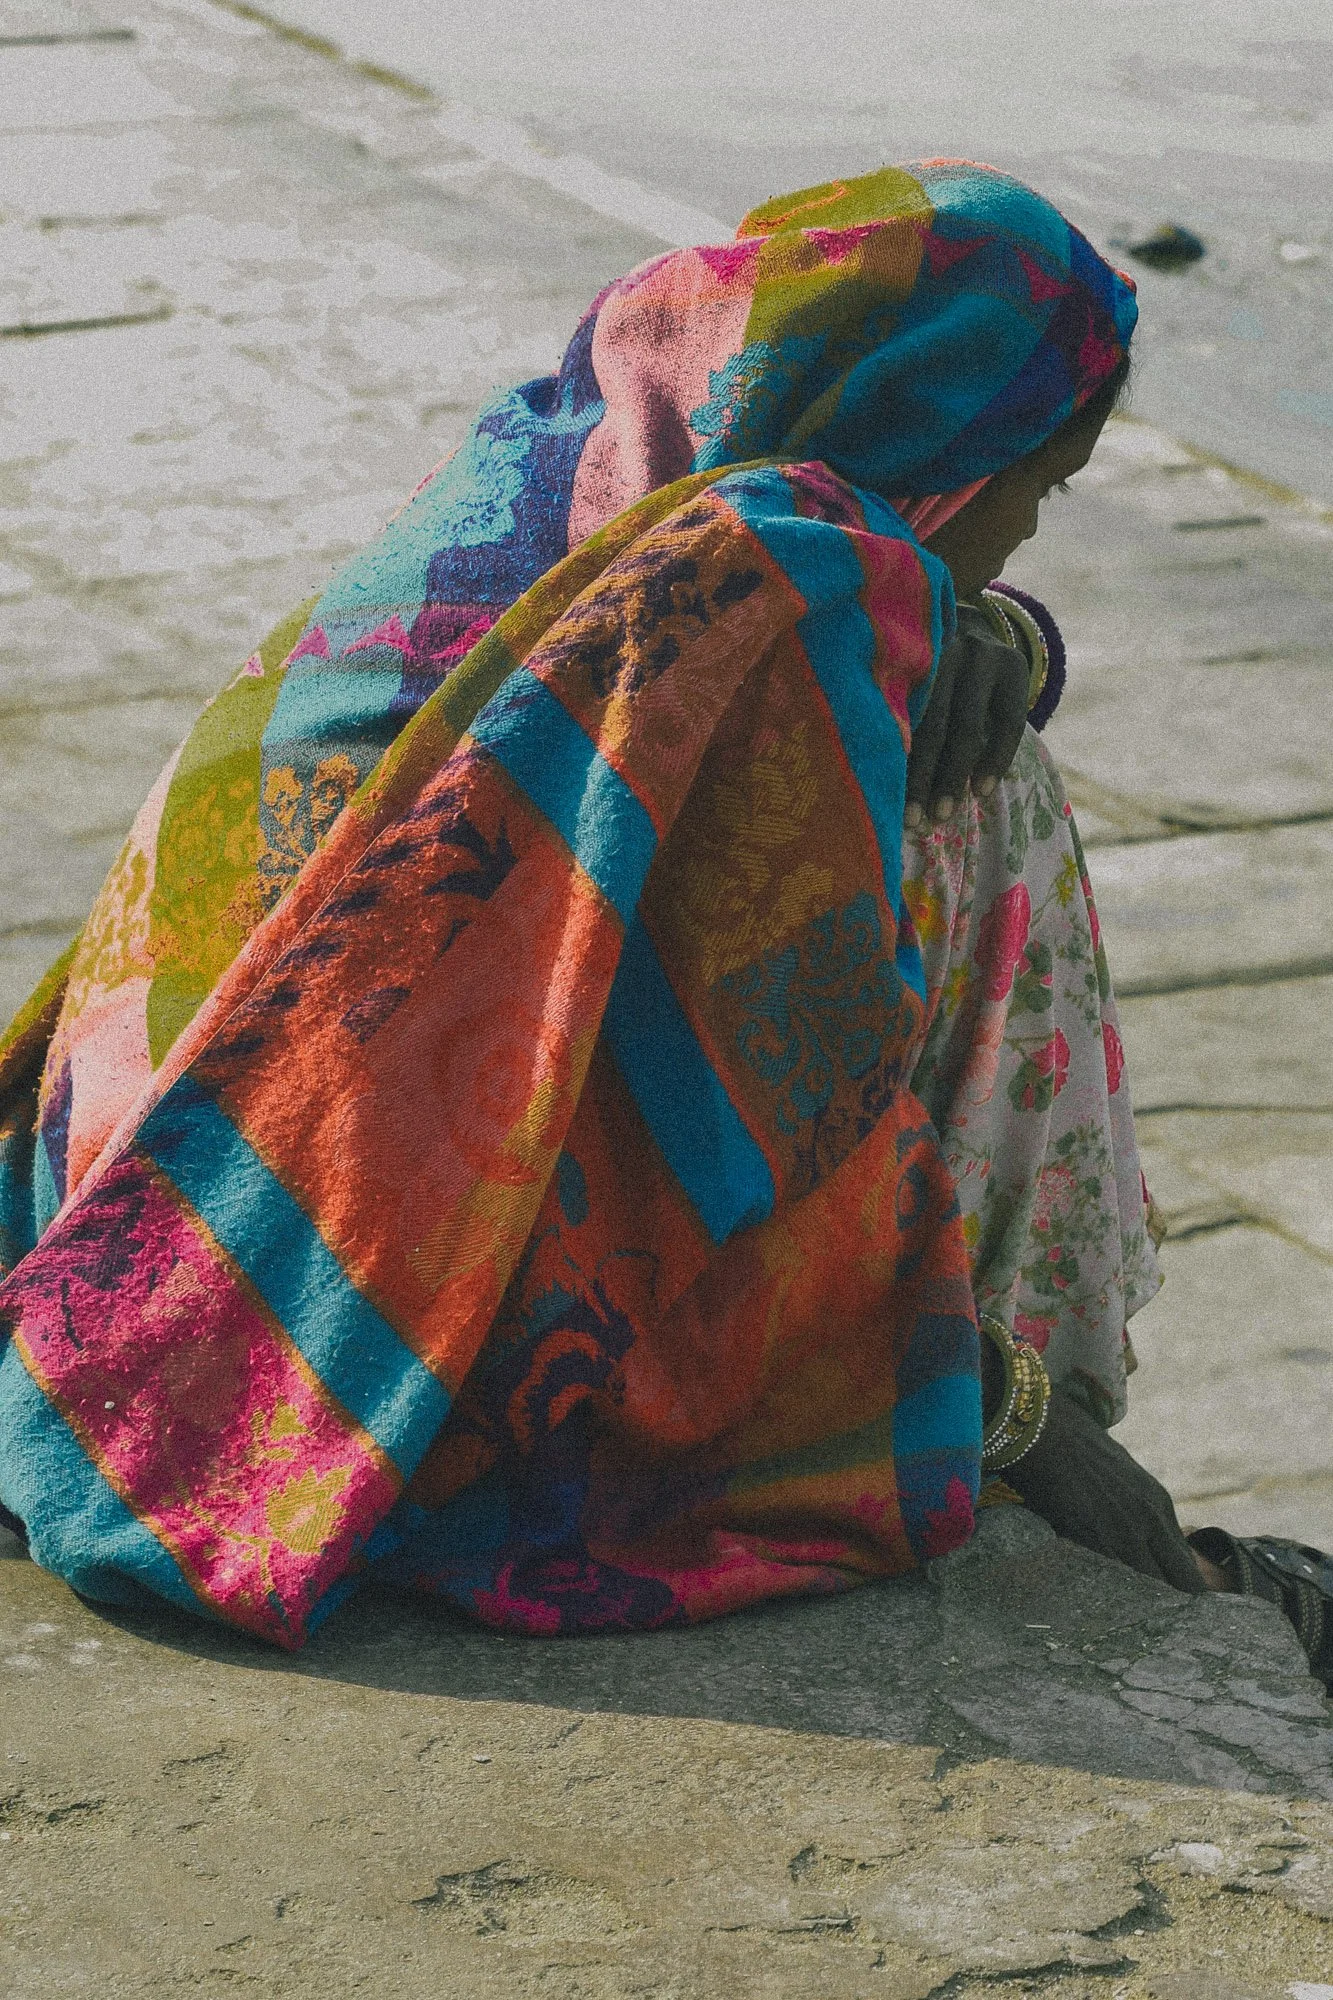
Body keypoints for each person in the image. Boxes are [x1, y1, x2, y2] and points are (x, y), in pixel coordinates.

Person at [0, 161, 1327, 1677]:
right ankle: (1038, 1383)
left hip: (118, 1205)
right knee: (987, 800)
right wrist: (1004, 1413)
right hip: (358, 1340)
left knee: (962, 727)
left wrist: (987, 633)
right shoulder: (779, 582)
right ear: (943, 461)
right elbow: (776, 1123)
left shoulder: (552, 473)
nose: (1030, 532)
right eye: (1042, 484)